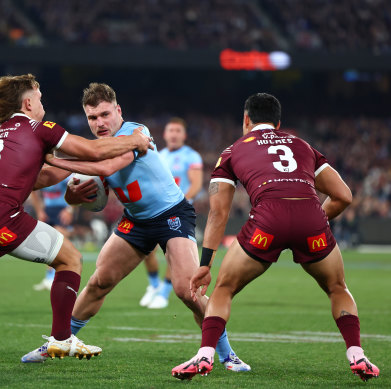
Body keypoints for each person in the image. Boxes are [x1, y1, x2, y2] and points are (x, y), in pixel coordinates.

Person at [0, 73, 153, 368]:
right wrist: (135, 140)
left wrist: (68, 165)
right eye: (39, 98)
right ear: (28, 102)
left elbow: (34, 178)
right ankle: (62, 339)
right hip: (0, 217)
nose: (43, 103)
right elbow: (93, 150)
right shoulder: (41, 129)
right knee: (70, 260)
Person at [35, 83, 250, 372]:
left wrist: (52, 157)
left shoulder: (137, 133)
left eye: (104, 114)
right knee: (100, 281)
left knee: (187, 290)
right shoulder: (96, 147)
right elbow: (91, 192)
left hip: (172, 214)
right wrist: (71, 197)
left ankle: (226, 353)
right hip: (135, 220)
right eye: (92, 118)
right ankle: (58, 341)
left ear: (118, 111)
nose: (99, 123)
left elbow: (105, 168)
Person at [171, 93, 379, 382]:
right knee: (337, 287)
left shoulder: (232, 152)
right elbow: (344, 195)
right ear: (278, 123)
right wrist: (316, 220)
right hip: (310, 219)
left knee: (224, 288)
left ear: (246, 119)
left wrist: (205, 263)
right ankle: (357, 354)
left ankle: (206, 354)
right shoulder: (303, 145)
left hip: (267, 222)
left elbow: (219, 213)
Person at [140, 117, 203, 309]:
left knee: (173, 253)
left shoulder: (191, 156)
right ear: (165, 134)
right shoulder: (157, 155)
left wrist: (181, 202)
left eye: (178, 131)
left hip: (177, 212)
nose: (174, 134)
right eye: (171, 130)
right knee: (146, 251)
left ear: (183, 135)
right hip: (154, 210)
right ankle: (153, 285)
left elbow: (196, 184)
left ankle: (164, 293)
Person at [30, 176, 73, 291]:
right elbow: (32, 190)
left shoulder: (65, 174)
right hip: (48, 210)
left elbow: (76, 189)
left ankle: (58, 279)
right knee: (48, 246)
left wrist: (69, 210)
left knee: (57, 243)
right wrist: (39, 210)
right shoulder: (42, 173)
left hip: (63, 209)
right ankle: (50, 278)